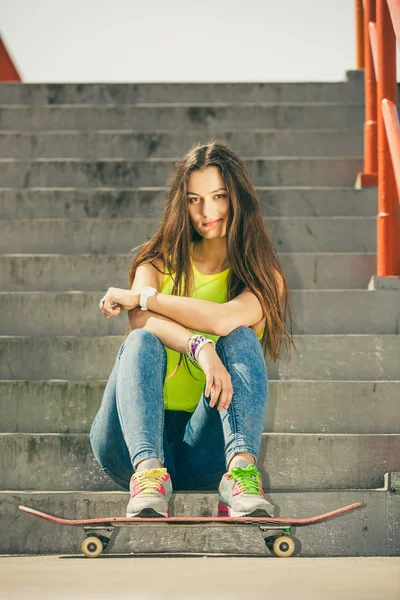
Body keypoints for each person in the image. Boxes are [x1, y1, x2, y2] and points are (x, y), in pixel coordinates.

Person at [90, 139, 297, 519]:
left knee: (240, 336)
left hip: (207, 444)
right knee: (140, 342)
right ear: (181, 204)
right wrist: (200, 347)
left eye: (218, 195)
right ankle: (149, 474)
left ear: (238, 198)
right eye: (194, 199)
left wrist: (146, 298)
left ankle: (240, 474)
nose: (208, 211)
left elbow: (221, 319)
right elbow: (139, 321)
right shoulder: (154, 262)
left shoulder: (265, 278)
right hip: (129, 442)